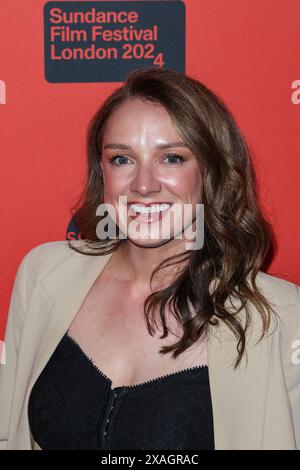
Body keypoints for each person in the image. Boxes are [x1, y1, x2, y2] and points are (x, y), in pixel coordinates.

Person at [0, 67, 299, 450]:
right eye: (122, 159)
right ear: (102, 172)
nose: (143, 185)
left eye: (172, 158)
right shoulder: (45, 274)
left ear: (211, 171)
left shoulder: (280, 317)